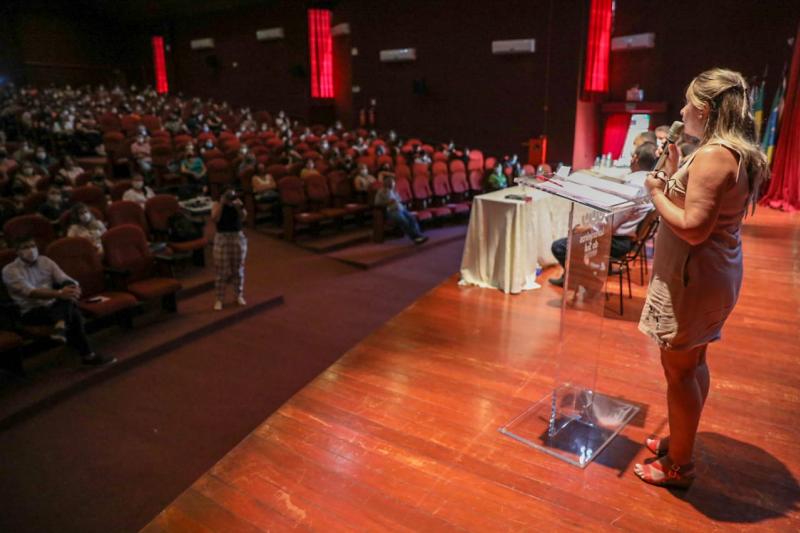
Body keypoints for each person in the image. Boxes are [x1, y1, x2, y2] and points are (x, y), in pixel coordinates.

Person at [634, 68, 768, 488]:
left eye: (688, 103)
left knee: (679, 371)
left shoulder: (714, 156)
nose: (681, 111)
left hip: (692, 279)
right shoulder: (727, 151)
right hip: (711, 274)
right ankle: (681, 441)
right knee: (693, 363)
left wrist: (656, 193)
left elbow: (693, 228)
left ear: (705, 109)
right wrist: (675, 170)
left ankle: (679, 465)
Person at [548, 143, 657, 287]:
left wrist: (587, 229)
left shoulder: (634, 186)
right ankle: (576, 277)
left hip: (617, 241)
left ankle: (589, 281)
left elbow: (611, 224)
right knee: (574, 238)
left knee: (560, 246)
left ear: (635, 158)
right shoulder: (649, 183)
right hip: (626, 239)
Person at [1, 237, 114, 366]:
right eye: (25, 247)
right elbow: (31, 293)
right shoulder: (9, 271)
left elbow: (64, 278)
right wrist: (60, 293)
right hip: (32, 311)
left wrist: (73, 288)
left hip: (55, 304)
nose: (31, 250)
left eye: (33, 246)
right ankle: (87, 355)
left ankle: (62, 326)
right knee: (74, 312)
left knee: (69, 296)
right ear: (17, 251)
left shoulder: (45, 261)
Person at [210, 187, 247, 311]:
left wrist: (239, 207)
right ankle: (219, 299)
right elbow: (215, 218)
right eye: (227, 195)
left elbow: (243, 217)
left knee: (238, 269)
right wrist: (222, 203)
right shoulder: (216, 204)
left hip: (237, 237)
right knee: (221, 270)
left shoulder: (237, 203)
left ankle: (238, 295)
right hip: (222, 238)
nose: (229, 198)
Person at [374, 176, 428, 245]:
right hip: (392, 211)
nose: (393, 184)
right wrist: (388, 203)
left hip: (401, 208)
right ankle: (416, 237)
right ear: (387, 183)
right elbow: (377, 203)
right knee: (404, 221)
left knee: (412, 219)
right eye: (392, 183)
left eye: (393, 183)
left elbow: (399, 199)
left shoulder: (394, 191)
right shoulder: (381, 192)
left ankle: (419, 236)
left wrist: (398, 201)